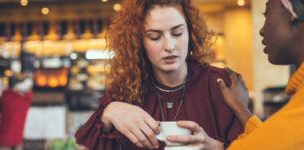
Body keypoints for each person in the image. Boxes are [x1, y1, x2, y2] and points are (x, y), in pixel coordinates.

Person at [75, 0, 243, 149]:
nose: (169, 46)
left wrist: (215, 147)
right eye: (155, 37)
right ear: (138, 41)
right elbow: (84, 144)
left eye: (177, 33)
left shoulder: (220, 84)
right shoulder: (125, 91)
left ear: (190, 33)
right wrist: (109, 114)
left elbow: (256, 143)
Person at [196, 0, 304, 149]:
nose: (262, 30)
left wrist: (218, 146)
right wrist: (240, 107)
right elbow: (279, 141)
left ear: (291, 14)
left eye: (267, 13)